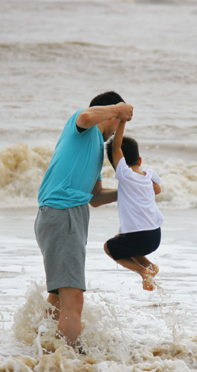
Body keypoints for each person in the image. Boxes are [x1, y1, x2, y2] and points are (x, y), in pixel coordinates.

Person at [34, 91, 133, 347]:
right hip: (62, 214)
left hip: (67, 217)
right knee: (74, 299)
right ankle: (71, 359)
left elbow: (95, 197)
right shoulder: (83, 127)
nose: (116, 130)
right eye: (117, 120)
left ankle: (43, 348)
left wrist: (130, 191)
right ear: (110, 114)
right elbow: (87, 116)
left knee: (59, 297)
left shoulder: (97, 150)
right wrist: (119, 108)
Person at [103, 119, 164, 291]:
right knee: (121, 237)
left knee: (109, 247)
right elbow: (157, 190)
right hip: (155, 236)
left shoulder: (125, 174)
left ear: (116, 165)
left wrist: (121, 122)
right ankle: (149, 266)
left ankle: (142, 271)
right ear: (140, 159)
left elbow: (116, 147)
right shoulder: (149, 174)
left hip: (139, 239)